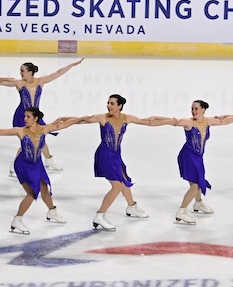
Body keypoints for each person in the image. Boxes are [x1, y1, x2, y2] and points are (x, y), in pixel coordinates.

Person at [71, 94, 177, 232]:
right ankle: (100, 215)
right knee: (117, 186)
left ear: (119, 106)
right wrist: (63, 121)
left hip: (116, 154)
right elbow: (82, 120)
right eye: (108, 103)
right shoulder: (102, 117)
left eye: (112, 103)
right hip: (104, 154)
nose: (108, 106)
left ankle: (131, 206)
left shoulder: (127, 118)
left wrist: (170, 121)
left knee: (124, 179)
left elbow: (149, 122)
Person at [0, 109, 82, 234]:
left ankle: (52, 211)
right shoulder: (21, 131)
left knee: (44, 187)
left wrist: (71, 117)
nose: (25, 119)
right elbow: (1, 131)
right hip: (23, 165)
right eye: (25, 116)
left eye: (28, 116)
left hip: (37, 163)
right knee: (32, 193)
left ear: (35, 118)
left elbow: (67, 123)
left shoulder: (45, 129)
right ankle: (17, 220)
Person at [0, 59, 83, 172]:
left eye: (22, 71)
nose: (20, 73)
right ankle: (18, 163)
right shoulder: (19, 83)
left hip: (35, 116)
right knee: (28, 140)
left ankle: (48, 159)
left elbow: (57, 73)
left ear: (30, 72)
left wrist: (71, 65)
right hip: (23, 116)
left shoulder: (40, 81)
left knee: (39, 137)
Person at [169, 100, 233, 225]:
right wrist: (152, 120)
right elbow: (172, 121)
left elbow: (226, 121)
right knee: (195, 185)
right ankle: (181, 212)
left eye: (196, 108)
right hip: (188, 155)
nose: (193, 111)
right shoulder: (189, 122)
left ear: (203, 109)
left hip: (198, 156)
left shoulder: (208, 121)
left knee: (199, 179)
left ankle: (198, 203)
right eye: (192, 108)